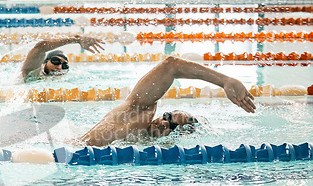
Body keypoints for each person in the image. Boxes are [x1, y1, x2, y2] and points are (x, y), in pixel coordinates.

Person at [77, 56, 256, 146]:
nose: (164, 124)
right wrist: (224, 80)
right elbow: (171, 65)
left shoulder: (150, 149)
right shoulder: (135, 112)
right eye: (167, 116)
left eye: (173, 127)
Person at [20, 34, 105, 80]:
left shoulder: (61, 81)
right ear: (45, 61)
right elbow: (41, 47)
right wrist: (77, 40)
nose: (59, 67)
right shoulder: (32, 73)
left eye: (65, 65)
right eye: (56, 61)